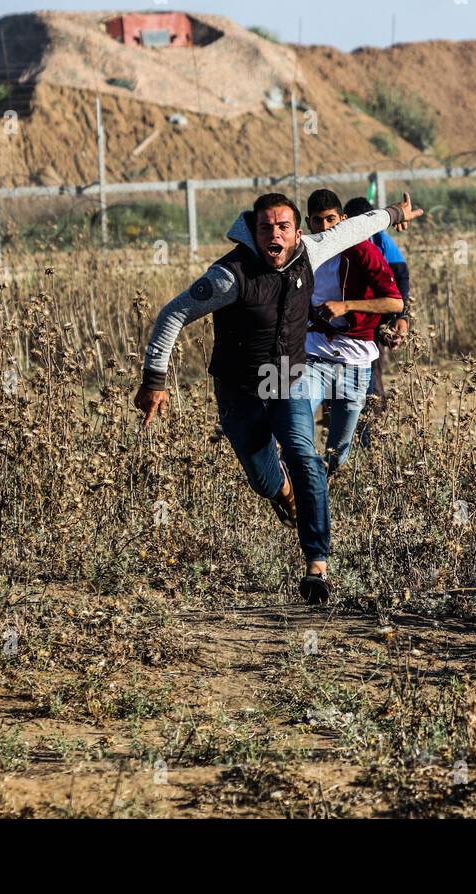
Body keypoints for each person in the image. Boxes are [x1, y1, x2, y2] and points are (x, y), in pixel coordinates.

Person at [134, 191, 422, 605]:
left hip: (285, 375)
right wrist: (154, 379)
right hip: (237, 385)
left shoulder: (312, 250)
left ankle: (317, 566)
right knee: (263, 477)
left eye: (283, 226)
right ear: (253, 232)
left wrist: (395, 214)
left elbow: (358, 226)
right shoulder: (229, 276)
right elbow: (174, 313)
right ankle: (284, 493)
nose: (276, 234)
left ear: (297, 231)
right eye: (266, 227)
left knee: (305, 456)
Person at [302, 188, 403, 475]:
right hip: (313, 355)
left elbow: (394, 301)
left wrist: (346, 306)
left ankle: (323, 484)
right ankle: (300, 485)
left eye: (331, 220)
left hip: (355, 360)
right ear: (308, 224)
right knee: (297, 424)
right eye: (318, 222)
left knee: (338, 452)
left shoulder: (363, 251)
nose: (325, 228)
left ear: (344, 220)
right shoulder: (305, 253)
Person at [343, 196, 412, 405]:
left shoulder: (381, 241)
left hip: (376, 312)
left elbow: (401, 277)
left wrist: (401, 317)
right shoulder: (340, 241)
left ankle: (372, 418)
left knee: (371, 370)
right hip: (346, 316)